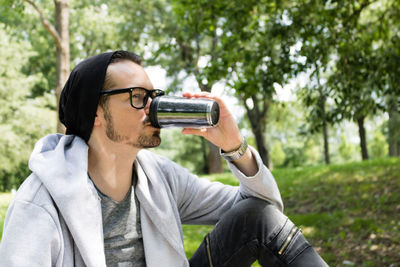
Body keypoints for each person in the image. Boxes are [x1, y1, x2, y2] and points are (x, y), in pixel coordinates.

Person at [0, 50, 327, 267]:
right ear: (96, 112)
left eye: (153, 96)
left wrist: (234, 146)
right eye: (138, 97)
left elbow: (263, 209)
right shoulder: (40, 205)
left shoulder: (158, 175)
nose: (153, 108)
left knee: (257, 217)